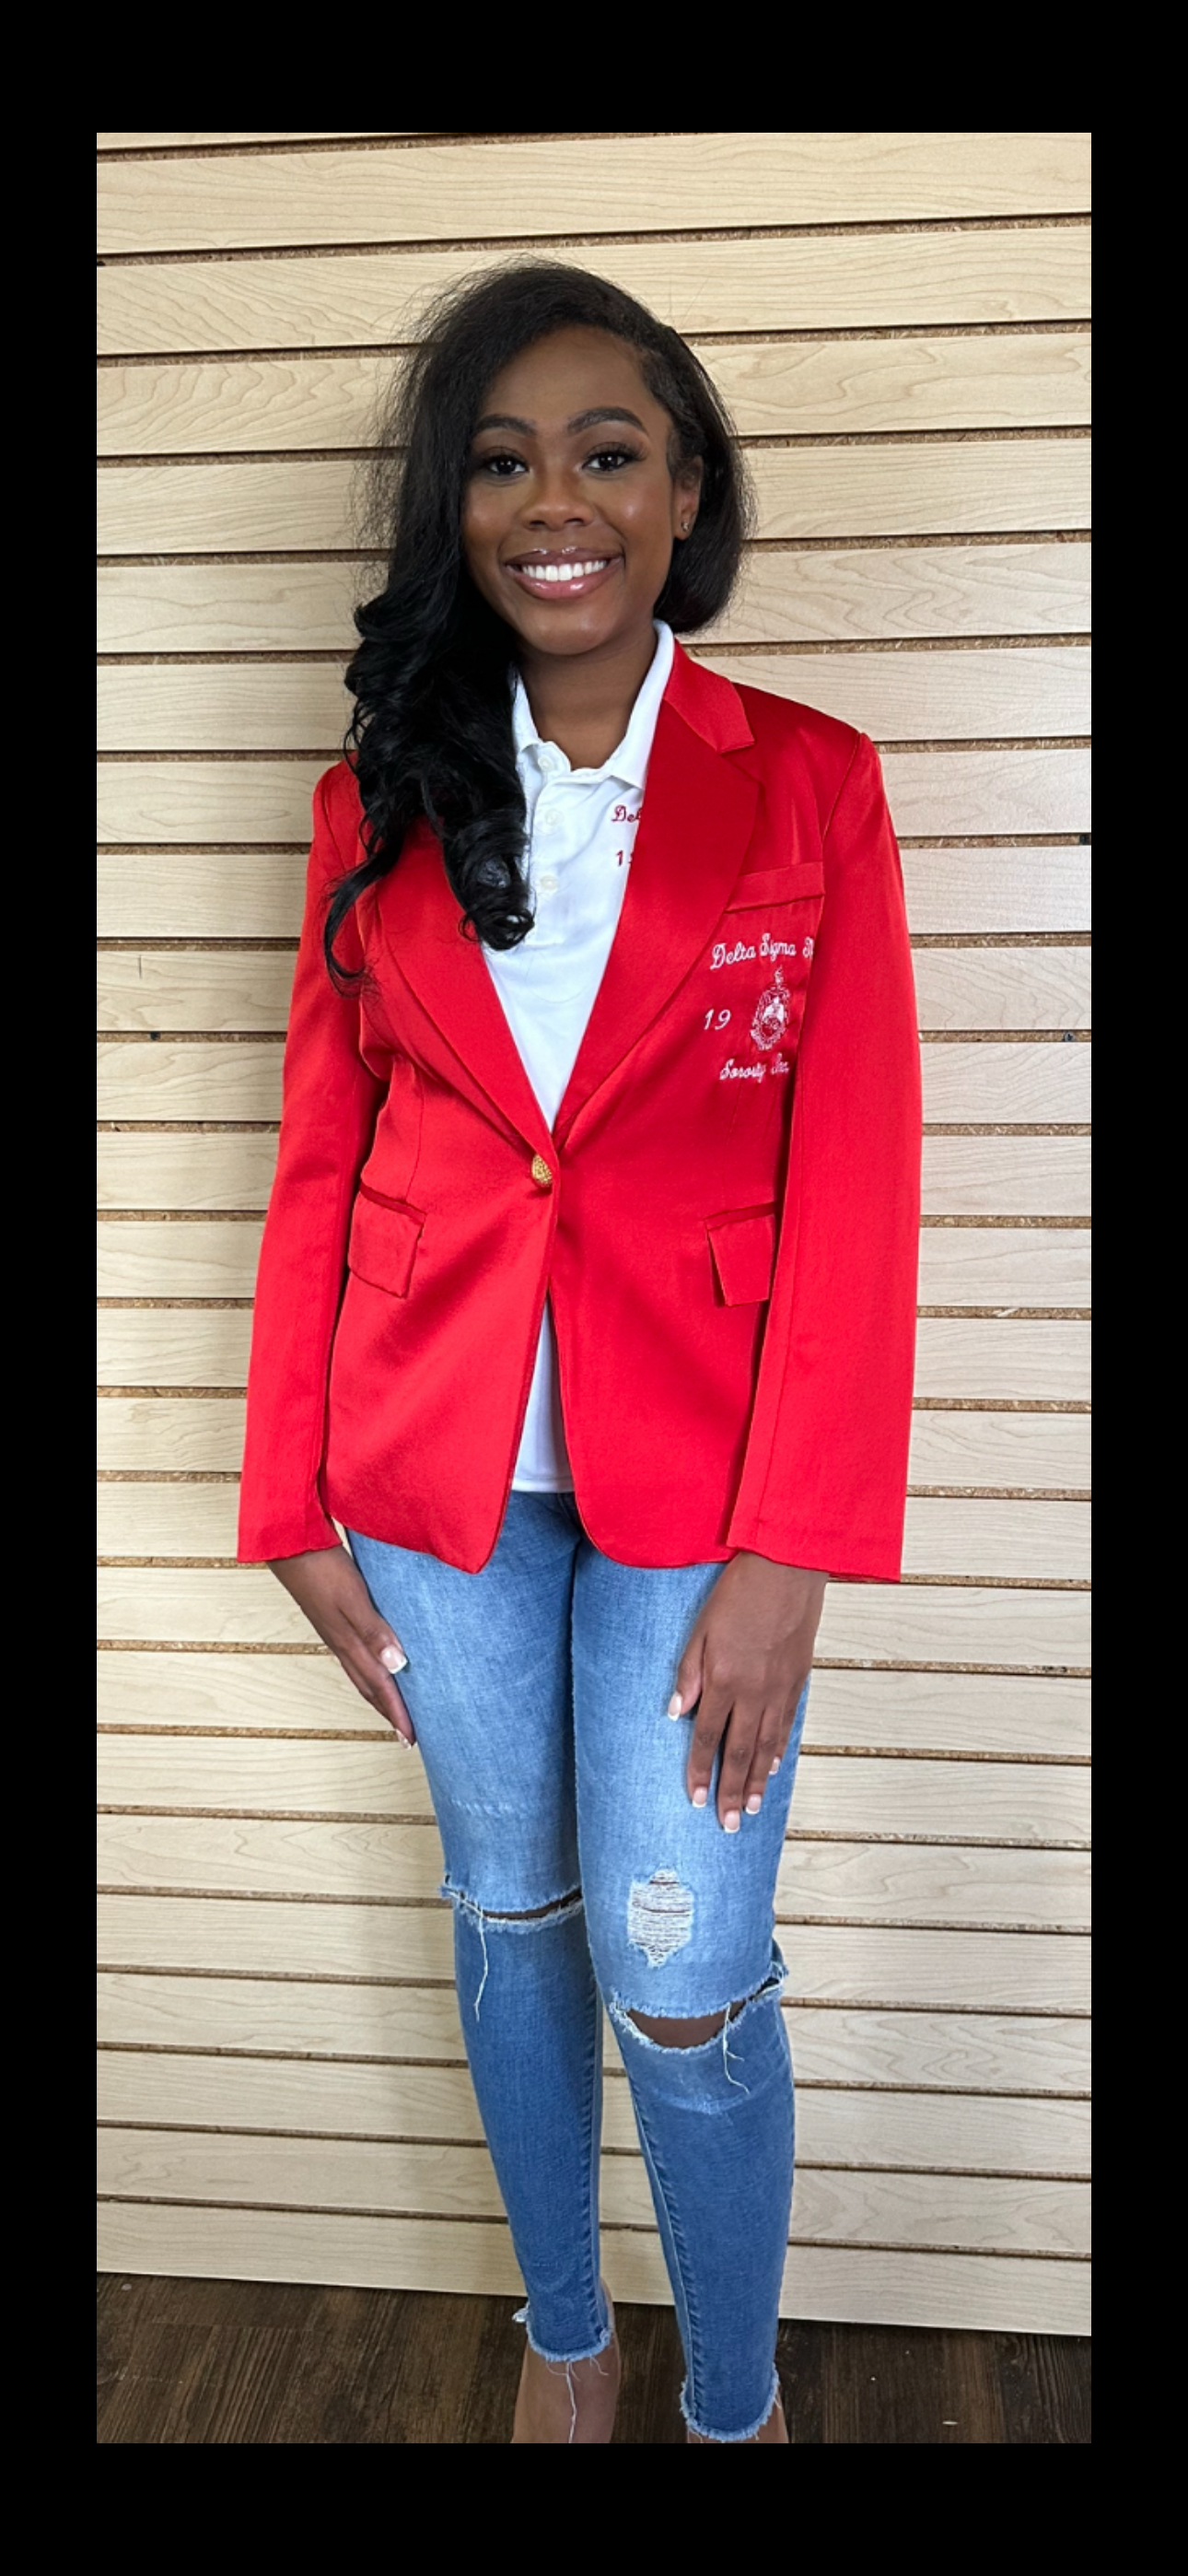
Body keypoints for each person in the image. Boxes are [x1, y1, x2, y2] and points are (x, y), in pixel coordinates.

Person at [238, 263, 921, 2445]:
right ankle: (564, 2337)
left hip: (708, 1491)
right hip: (429, 1482)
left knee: (684, 1975)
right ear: (456, 509)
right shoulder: (386, 795)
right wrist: (290, 1498)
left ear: (682, 488)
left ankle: (733, 2399)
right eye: (504, 461)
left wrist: (796, 1544)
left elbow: (863, 1179)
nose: (558, 503)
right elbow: (314, 1160)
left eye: (606, 453)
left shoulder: (808, 787)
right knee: (511, 1918)